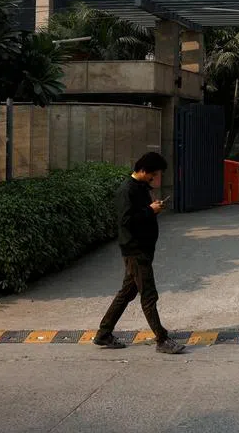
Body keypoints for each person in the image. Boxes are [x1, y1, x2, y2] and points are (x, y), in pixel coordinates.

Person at [94, 152, 185, 354]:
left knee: (127, 292)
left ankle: (104, 333)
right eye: (154, 174)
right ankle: (162, 339)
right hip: (135, 250)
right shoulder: (127, 190)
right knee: (149, 295)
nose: (155, 178)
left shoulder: (141, 187)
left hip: (143, 248)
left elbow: (141, 214)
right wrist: (150, 211)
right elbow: (126, 221)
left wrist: (153, 208)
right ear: (143, 170)